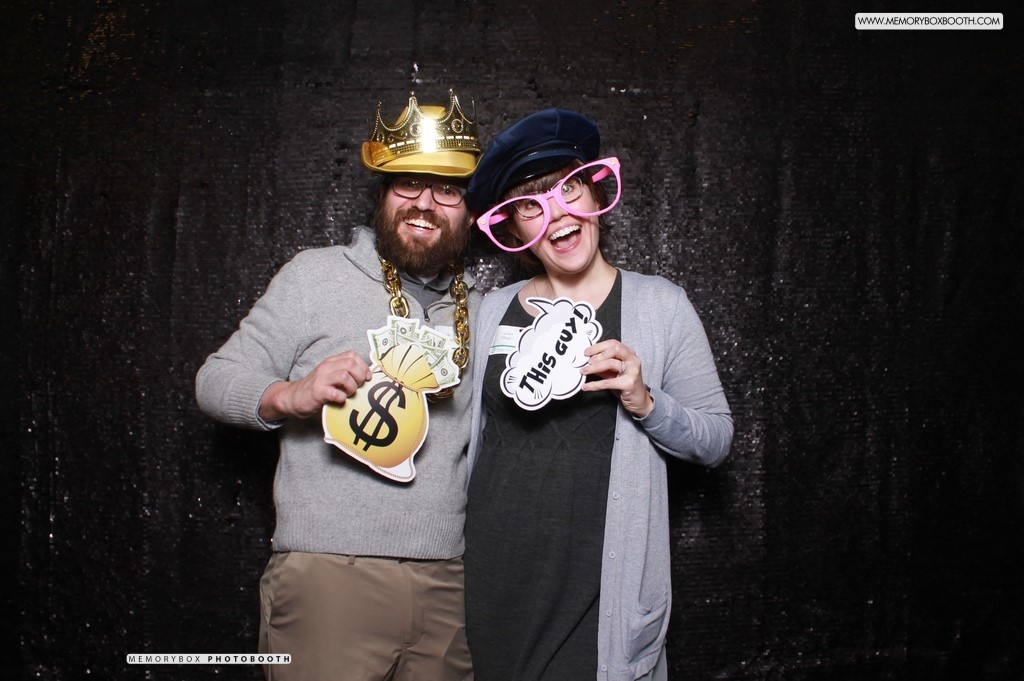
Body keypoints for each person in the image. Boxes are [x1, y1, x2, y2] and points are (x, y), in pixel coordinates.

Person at [195, 90, 482, 681]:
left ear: (470, 212)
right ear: (382, 193)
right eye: (408, 183)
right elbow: (214, 380)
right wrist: (289, 395)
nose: (424, 204)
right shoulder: (316, 276)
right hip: (329, 575)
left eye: (447, 190)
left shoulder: (484, 308)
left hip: (448, 584)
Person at [461, 109, 734, 681]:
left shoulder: (661, 307)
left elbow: (716, 440)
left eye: (568, 188)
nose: (556, 213)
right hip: (492, 584)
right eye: (530, 205)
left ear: (594, 193)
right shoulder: (491, 311)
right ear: (514, 231)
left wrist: (646, 402)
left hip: (597, 597)